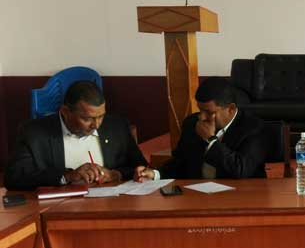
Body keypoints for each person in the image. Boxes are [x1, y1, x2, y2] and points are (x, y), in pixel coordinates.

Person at [5, 80, 147, 191]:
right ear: (65, 112)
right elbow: (14, 178)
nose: (96, 125)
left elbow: (141, 168)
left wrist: (115, 174)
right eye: (87, 118)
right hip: (58, 210)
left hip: (111, 205)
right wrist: (67, 176)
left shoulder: (116, 127)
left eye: (101, 116)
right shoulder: (34, 133)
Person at [135, 77, 268, 180]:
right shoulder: (192, 123)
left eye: (209, 112)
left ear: (231, 109)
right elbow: (180, 162)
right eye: (200, 110)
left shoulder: (254, 127)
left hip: (240, 196)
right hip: (197, 195)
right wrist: (154, 174)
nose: (201, 117)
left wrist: (211, 140)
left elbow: (241, 170)